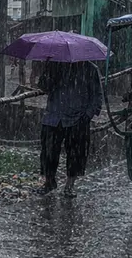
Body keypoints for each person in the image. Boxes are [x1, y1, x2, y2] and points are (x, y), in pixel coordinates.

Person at [38, 61, 103, 196]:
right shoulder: (55, 64)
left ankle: (70, 185)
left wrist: (88, 115)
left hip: (77, 118)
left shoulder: (90, 69)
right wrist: (48, 70)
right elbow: (43, 86)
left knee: (76, 153)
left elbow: (97, 95)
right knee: (48, 151)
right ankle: (49, 181)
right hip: (53, 116)